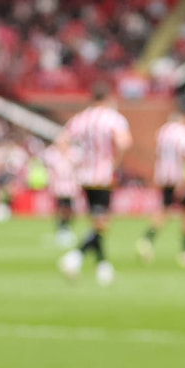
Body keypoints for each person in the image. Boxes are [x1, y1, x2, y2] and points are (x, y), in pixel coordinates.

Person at [56, 81, 133, 286]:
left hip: (85, 175)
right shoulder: (113, 118)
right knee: (102, 222)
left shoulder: (82, 118)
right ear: (107, 98)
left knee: (96, 220)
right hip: (103, 175)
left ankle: (103, 266)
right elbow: (124, 142)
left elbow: (62, 141)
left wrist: (75, 160)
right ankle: (76, 256)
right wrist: (114, 163)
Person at [136, 106, 185, 269]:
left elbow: (157, 154)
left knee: (164, 210)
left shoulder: (163, 131)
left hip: (164, 176)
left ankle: (147, 240)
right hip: (179, 177)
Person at [42, 141, 80, 249]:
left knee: (69, 208)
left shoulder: (73, 153)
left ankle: (67, 227)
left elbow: (78, 165)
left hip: (70, 186)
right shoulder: (53, 154)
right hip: (58, 186)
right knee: (60, 207)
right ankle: (61, 228)